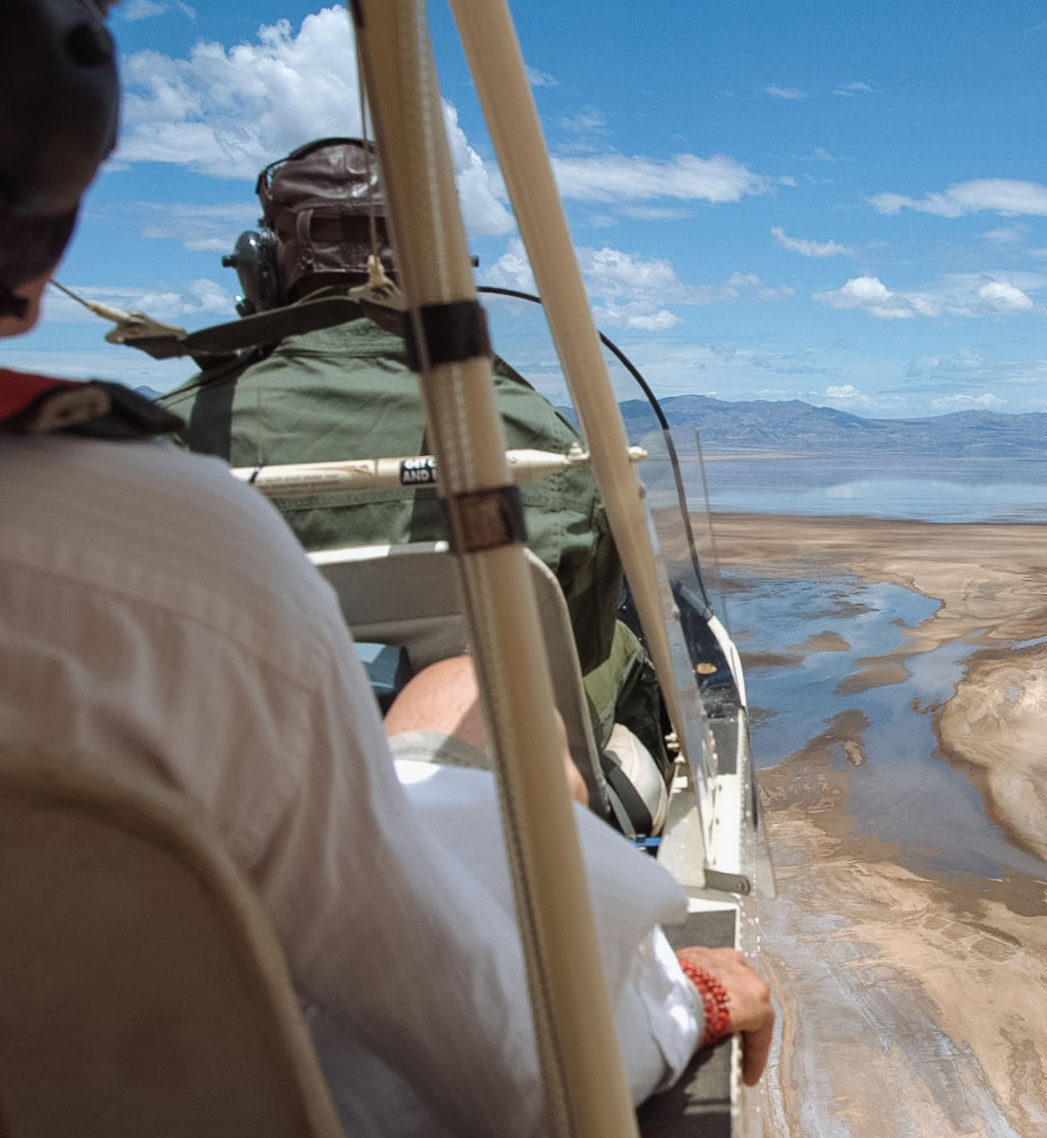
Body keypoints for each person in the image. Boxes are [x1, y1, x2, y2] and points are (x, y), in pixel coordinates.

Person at [0, 3, 772, 1135]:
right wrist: (689, 999)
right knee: (474, 692)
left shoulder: (176, 436)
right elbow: (500, 1054)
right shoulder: (172, 538)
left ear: (263, 269)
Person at [155, 137, 669, 829]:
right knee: (628, 652)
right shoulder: (532, 432)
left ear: (261, 271)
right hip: (498, 816)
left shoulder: (165, 439)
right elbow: (577, 643)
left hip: (224, 801)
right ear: (448, 267)